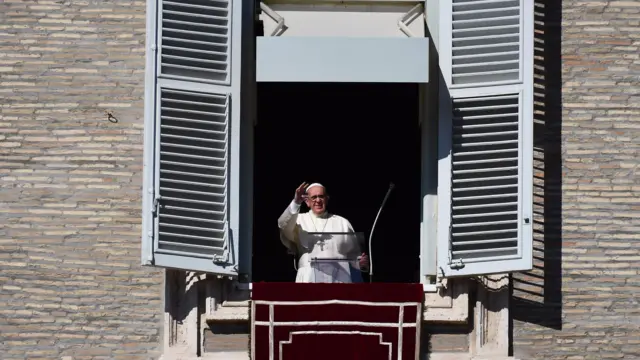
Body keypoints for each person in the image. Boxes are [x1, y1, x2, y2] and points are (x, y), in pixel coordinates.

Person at [277, 182, 370, 283]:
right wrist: (296, 202)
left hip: (339, 279)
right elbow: (283, 225)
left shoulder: (342, 222)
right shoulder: (298, 220)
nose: (318, 200)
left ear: (327, 199)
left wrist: (359, 263)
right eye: (314, 197)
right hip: (309, 277)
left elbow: (353, 256)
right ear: (307, 201)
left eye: (321, 196)